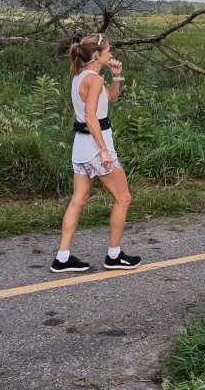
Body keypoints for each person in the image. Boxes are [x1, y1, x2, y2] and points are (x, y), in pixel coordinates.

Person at [51, 33, 142, 272]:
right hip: (96, 147)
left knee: (78, 200)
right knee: (123, 199)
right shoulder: (93, 80)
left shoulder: (82, 76)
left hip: (80, 148)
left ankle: (62, 258)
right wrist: (104, 151)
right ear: (98, 54)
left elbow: (110, 98)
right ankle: (114, 255)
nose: (112, 54)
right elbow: (91, 117)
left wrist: (116, 77)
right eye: (109, 50)